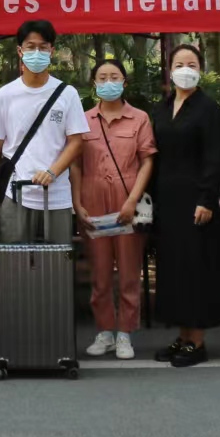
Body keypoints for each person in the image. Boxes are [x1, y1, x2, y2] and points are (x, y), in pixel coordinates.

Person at [150, 44, 220, 369]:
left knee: (196, 270)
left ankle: (197, 341)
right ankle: (182, 336)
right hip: (167, 201)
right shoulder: (162, 108)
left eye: (192, 64)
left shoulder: (209, 109)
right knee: (174, 270)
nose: (185, 69)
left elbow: (215, 157)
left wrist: (207, 198)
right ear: (170, 70)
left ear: (200, 70)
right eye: (179, 64)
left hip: (197, 201)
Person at [76, 58, 155, 361]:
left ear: (124, 82)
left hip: (127, 202)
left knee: (129, 272)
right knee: (99, 274)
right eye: (102, 77)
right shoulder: (82, 120)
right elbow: (75, 165)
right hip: (93, 202)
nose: (108, 82)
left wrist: (132, 200)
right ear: (93, 83)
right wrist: (77, 203)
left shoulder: (139, 119)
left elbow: (147, 160)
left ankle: (125, 333)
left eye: (114, 77)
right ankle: (105, 331)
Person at [0, 19, 88, 244]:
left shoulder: (67, 94)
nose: (37, 53)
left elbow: (77, 142)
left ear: (52, 51)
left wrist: (52, 172)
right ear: (20, 51)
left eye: (43, 47)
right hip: (15, 193)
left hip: (57, 196)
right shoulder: (5, 95)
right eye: (30, 47)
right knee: (15, 260)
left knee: (57, 260)